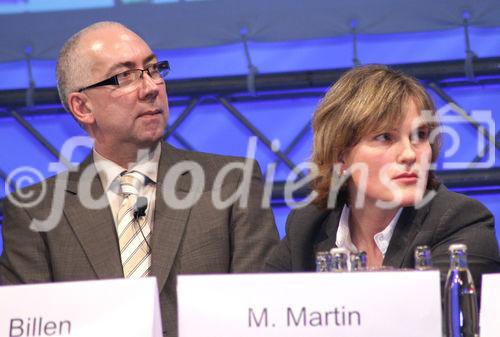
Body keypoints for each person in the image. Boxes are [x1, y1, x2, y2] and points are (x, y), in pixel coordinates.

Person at [0, 21, 279, 337]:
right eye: (125, 77)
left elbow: (258, 318)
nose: (150, 88)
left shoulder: (232, 184)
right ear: (82, 106)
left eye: (153, 69)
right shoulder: (33, 211)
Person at [265, 64, 500, 291]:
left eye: (420, 135)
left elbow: (418, 317)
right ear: (340, 157)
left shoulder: (460, 223)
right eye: (385, 137)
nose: (409, 154)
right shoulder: (309, 227)